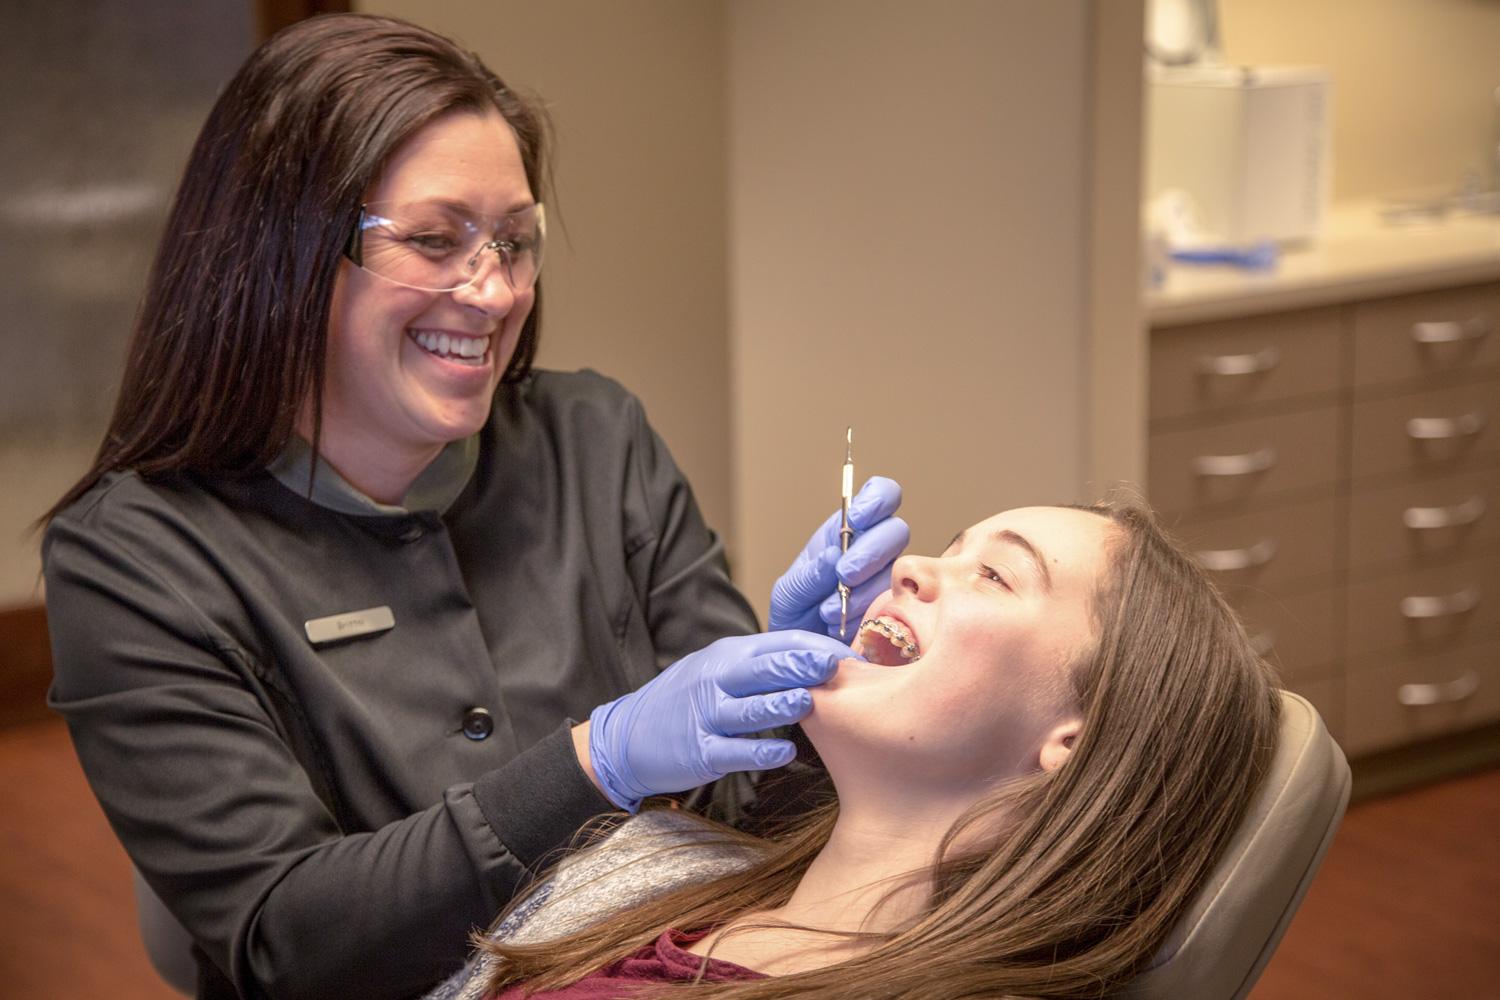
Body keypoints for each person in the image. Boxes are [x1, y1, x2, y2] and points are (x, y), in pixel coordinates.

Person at [39, 14, 908, 1000]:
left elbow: (749, 819)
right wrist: (599, 761)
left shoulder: (597, 439)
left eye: (514, 240)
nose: (494, 292)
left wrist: (804, 710)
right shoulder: (136, 559)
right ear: (284, 250)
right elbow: (289, 940)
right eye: (435, 239)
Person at [429, 500, 1282, 1000]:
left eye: (995, 575)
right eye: (951, 550)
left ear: (1076, 738)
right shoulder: (665, 872)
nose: (909, 568)